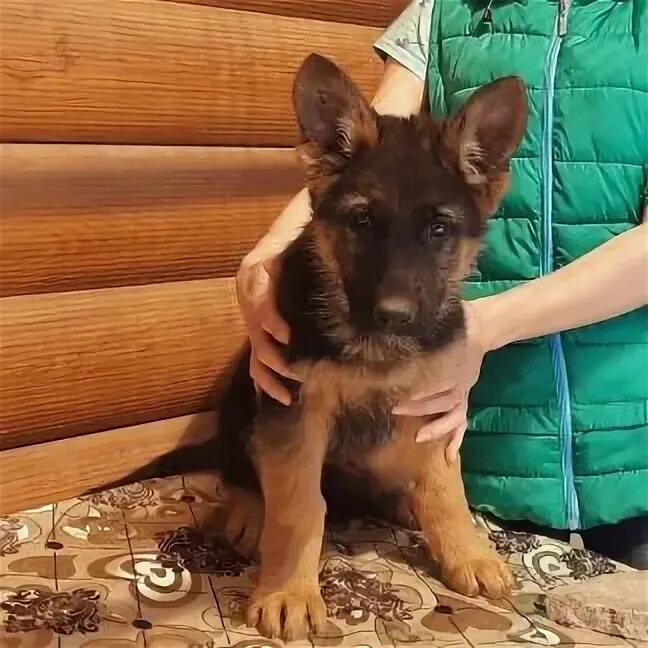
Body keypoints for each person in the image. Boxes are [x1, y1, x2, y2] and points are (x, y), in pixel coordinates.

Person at [236, 0, 648, 568]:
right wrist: (262, 261)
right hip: (488, 444)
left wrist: (481, 328)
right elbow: (363, 154)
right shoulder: (441, 10)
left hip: (629, 443)